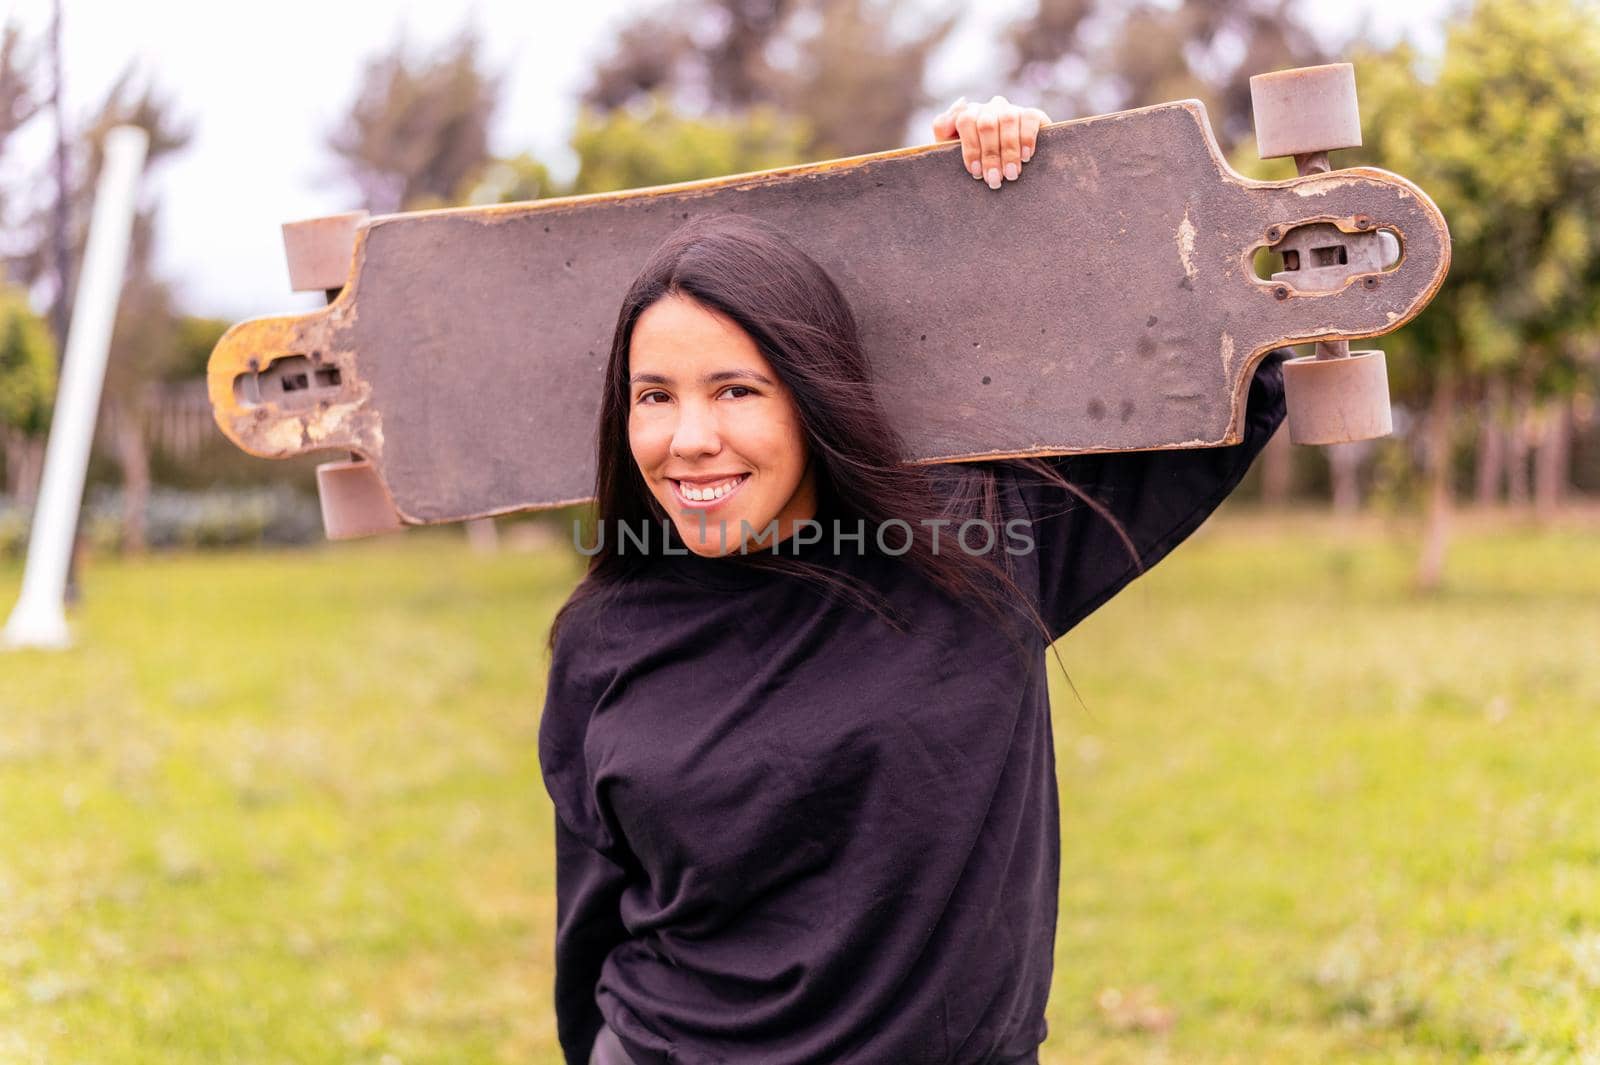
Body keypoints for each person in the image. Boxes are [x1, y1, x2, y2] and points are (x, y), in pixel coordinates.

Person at [539, 95, 1288, 1065]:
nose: (689, 440)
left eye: (735, 390)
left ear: (813, 396)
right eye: (654, 397)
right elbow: (589, 918)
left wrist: (1025, 199)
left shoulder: (977, 553)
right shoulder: (603, 637)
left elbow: (1227, 379)